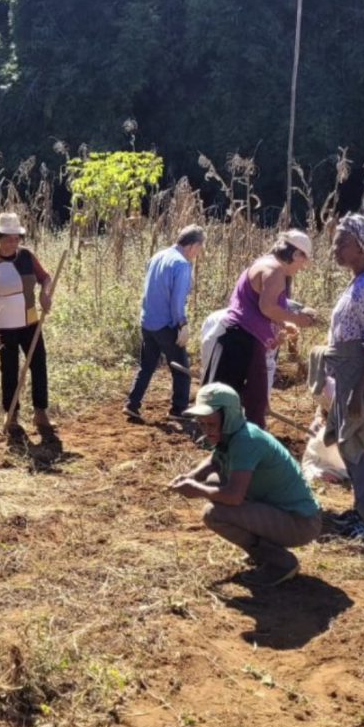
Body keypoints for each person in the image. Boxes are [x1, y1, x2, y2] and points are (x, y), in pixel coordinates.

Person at [169, 383, 321, 588]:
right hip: (282, 511)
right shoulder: (234, 434)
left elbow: (233, 497)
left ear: (228, 417)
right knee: (214, 481)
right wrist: (191, 477)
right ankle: (265, 551)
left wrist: (196, 489)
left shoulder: (246, 441)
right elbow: (215, 460)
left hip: (300, 523)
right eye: (202, 424)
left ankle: (279, 562)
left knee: (213, 514)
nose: (206, 430)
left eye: (211, 424)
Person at [309, 214, 364, 544]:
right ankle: (361, 512)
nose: (335, 247)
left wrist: (359, 394)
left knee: (358, 445)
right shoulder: (361, 279)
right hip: (349, 373)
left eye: (342, 242)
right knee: (349, 444)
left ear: (362, 247)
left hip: (360, 374)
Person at [206, 230, 318, 428]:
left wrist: (284, 323)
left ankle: (236, 439)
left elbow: (260, 306)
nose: (303, 266)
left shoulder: (265, 264)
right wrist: (297, 319)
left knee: (240, 396)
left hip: (242, 337)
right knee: (247, 401)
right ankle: (238, 443)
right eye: (304, 260)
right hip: (243, 340)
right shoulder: (274, 270)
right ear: (295, 254)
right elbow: (267, 307)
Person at [0, 212, 53, 437]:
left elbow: (45, 278)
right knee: (9, 369)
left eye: (16, 238)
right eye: (8, 238)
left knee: (38, 363)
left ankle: (40, 411)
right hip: (5, 326)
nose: (13, 242)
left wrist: (45, 295)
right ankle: (11, 415)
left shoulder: (27, 256)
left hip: (30, 321)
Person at [123, 225, 205, 422]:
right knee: (181, 368)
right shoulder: (182, 265)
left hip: (148, 321)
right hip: (165, 325)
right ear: (193, 245)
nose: (199, 253)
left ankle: (132, 404)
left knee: (147, 365)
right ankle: (179, 410)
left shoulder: (158, 256)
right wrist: (182, 325)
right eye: (200, 248)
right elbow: (177, 302)